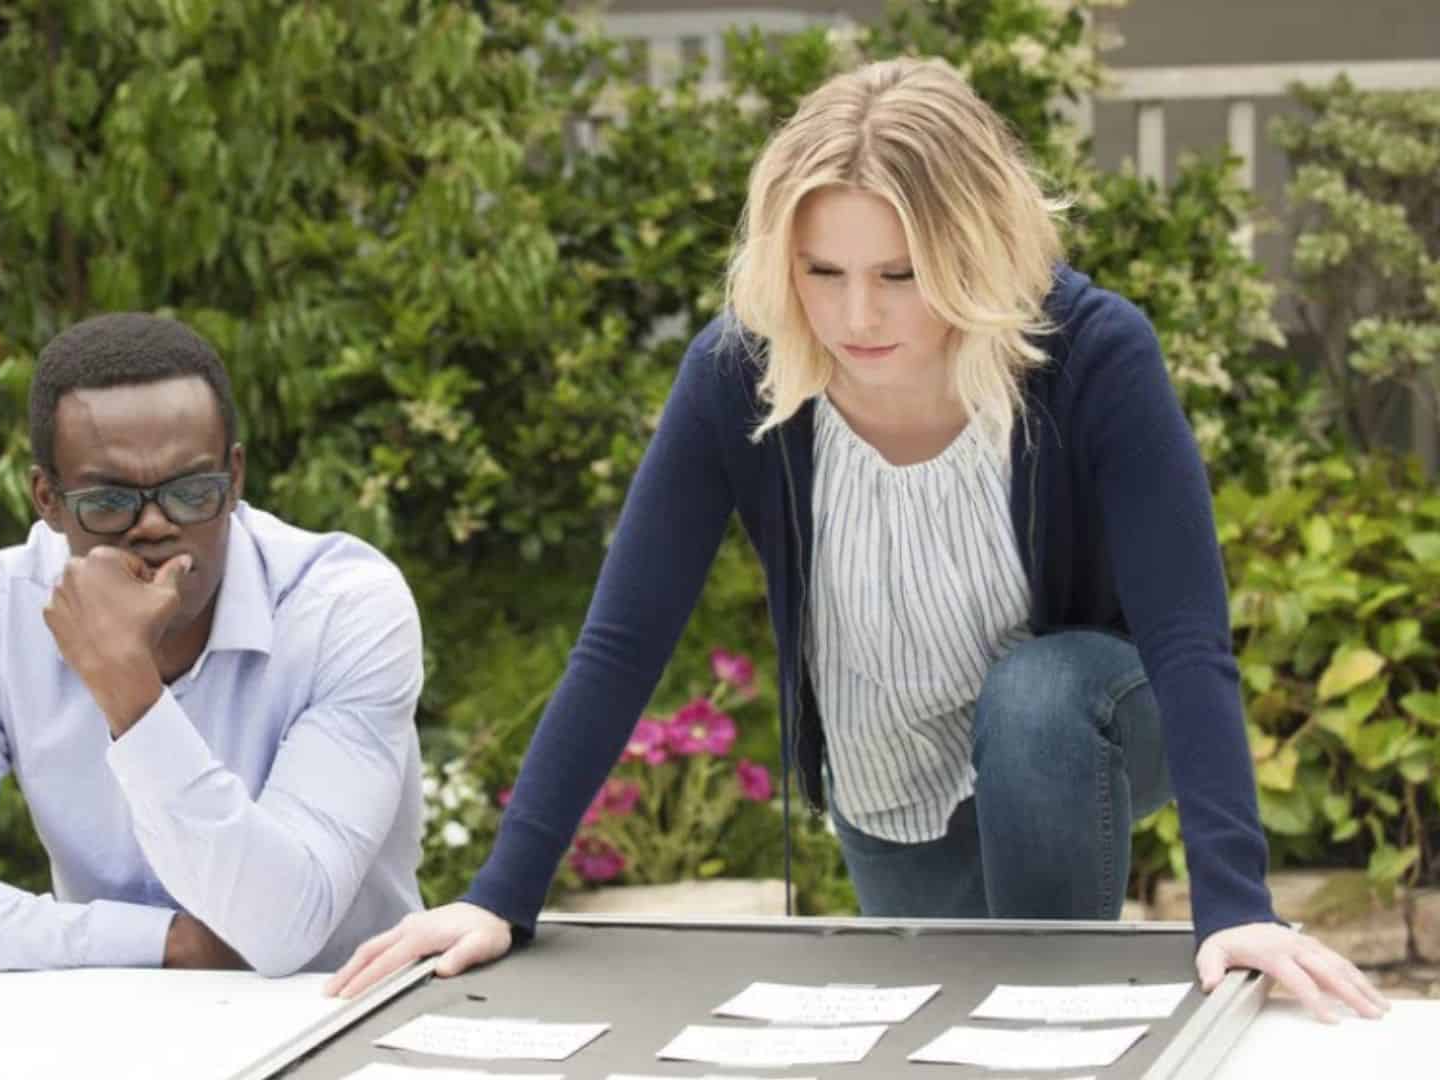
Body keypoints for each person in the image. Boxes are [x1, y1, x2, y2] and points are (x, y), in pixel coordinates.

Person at [328, 58, 1388, 1022]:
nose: (856, 314)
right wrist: (500, 899)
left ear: (973, 246)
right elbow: (623, 640)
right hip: (891, 774)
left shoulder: (1091, 355)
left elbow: (1186, 634)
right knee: (939, 1025)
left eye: (899, 273)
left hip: (1090, 725)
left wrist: (1236, 903)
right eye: (822, 272)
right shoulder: (738, 372)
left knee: (1038, 766)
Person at [0, 313, 425, 976]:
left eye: (191, 492)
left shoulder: (344, 609)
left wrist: (130, 693)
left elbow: (284, 928)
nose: (154, 526)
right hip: (113, 1016)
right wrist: (165, 941)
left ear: (234, 479)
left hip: (338, 1022)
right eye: (110, 500)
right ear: (48, 500)